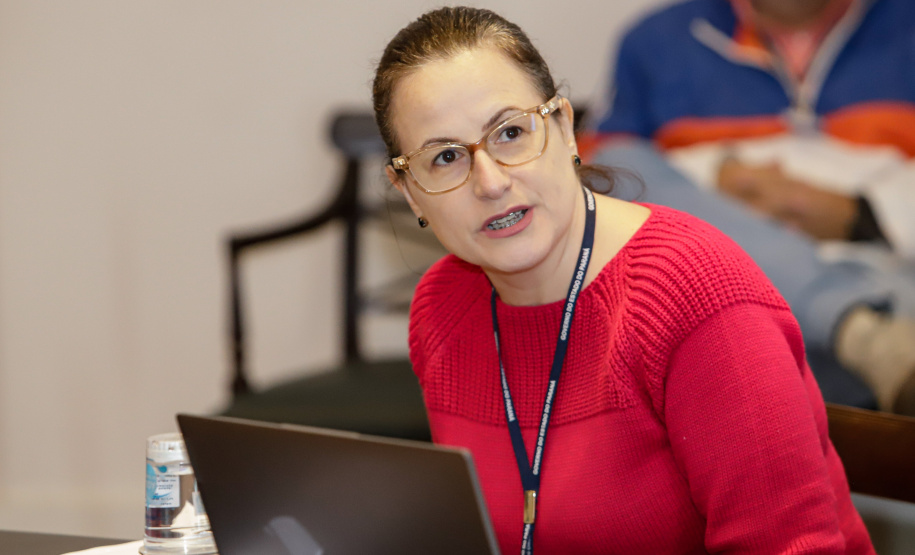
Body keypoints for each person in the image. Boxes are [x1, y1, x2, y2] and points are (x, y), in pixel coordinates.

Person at [374, 6, 874, 554]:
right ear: (409, 191)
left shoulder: (699, 299)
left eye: (511, 132)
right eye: (445, 157)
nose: (491, 182)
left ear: (564, 128)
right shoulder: (442, 307)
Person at [585, 0, 915, 414]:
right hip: (732, 308)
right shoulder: (653, 42)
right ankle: (861, 332)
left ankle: (865, 334)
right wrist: (721, 179)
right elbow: (597, 186)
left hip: (896, 287)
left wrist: (862, 213)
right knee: (621, 163)